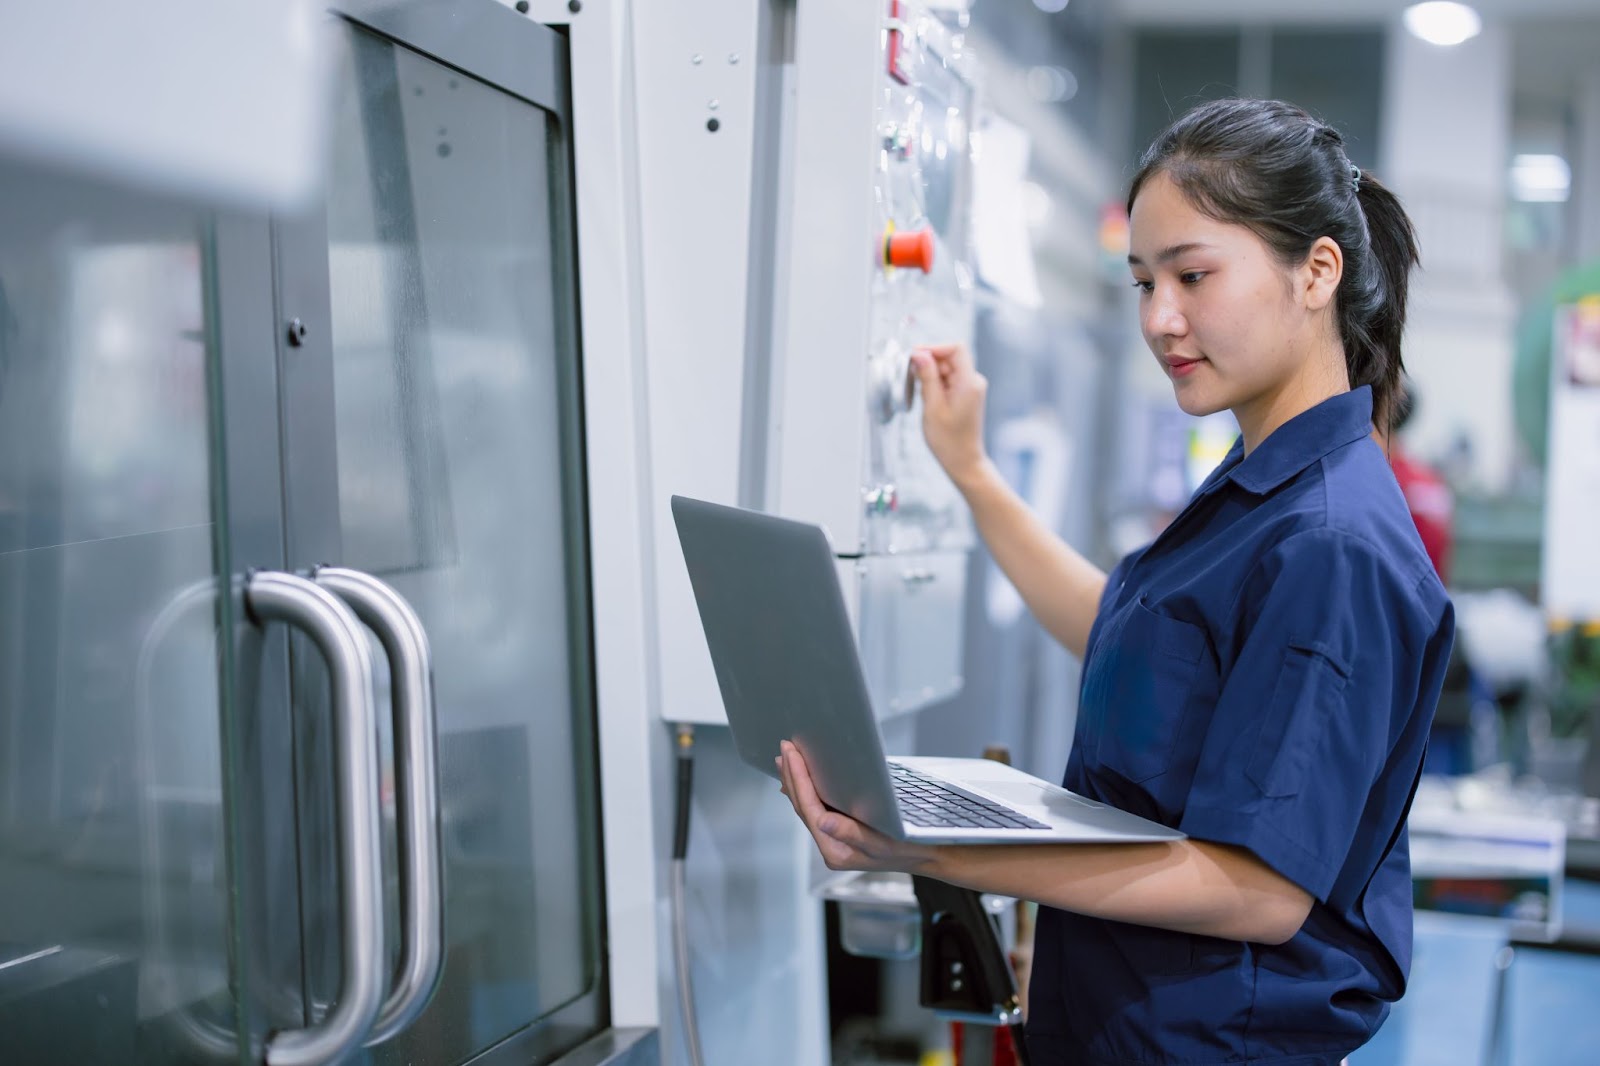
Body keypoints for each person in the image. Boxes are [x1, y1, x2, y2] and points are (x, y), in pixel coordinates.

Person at [776, 98, 1455, 1066]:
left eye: (1192, 275)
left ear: (1316, 271)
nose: (1159, 319)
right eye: (1142, 281)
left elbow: (1257, 891)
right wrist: (968, 470)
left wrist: (938, 849)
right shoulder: (1257, 492)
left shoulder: (1331, 541)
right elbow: (1124, 629)